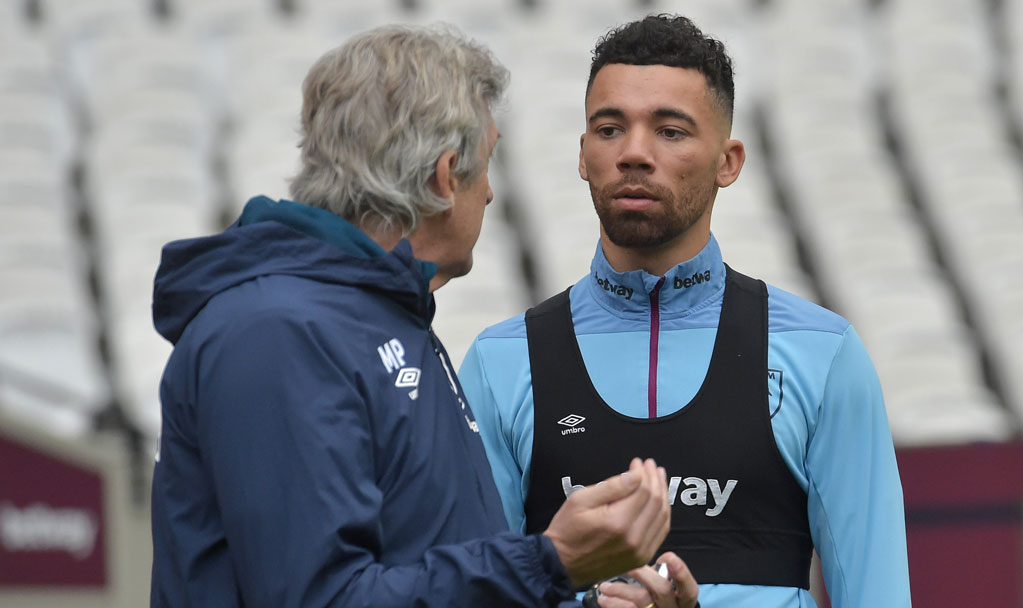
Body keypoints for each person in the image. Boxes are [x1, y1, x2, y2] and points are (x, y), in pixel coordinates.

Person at [149, 24, 695, 607]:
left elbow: (420, 563)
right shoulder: (275, 332)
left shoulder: (375, 315)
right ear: (444, 175)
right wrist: (547, 563)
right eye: (486, 165)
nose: (488, 194)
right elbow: (323, 599)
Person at [458, 14, 912, 608]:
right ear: (582, 154)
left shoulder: (823, 354)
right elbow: (467, 594)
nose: (635, 153)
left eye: (670, 131)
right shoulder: (499, 363)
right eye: (610, 128)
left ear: (729, 161)